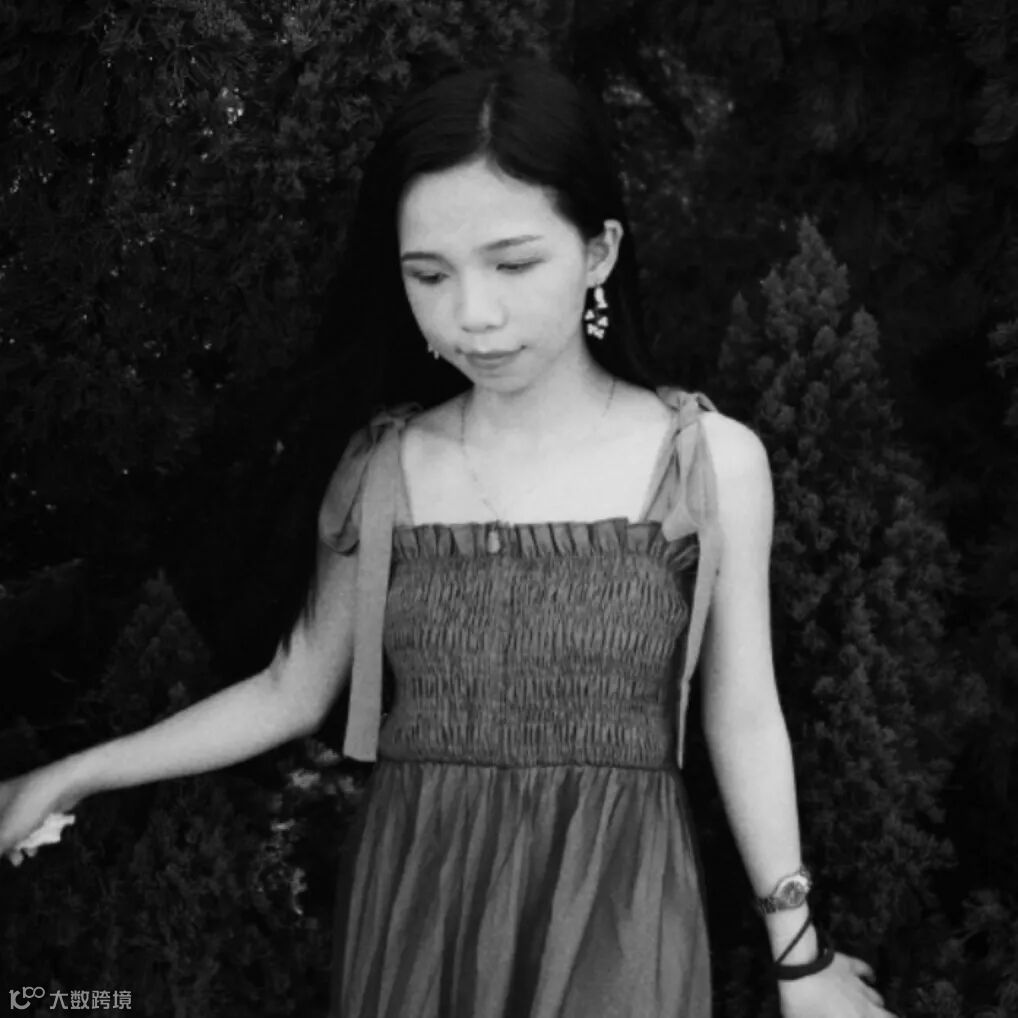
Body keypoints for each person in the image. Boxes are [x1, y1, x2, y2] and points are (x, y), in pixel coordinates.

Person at [0, 57, 895, 1018]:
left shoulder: (708, 461)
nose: (473, 315)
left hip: (616, 907)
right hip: (418, 907)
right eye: (429, 274)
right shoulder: (383, 464)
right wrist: (74, 773)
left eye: (514, 263)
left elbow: (743, 715)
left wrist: (800, 961)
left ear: (598, 252)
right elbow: (292, 688)